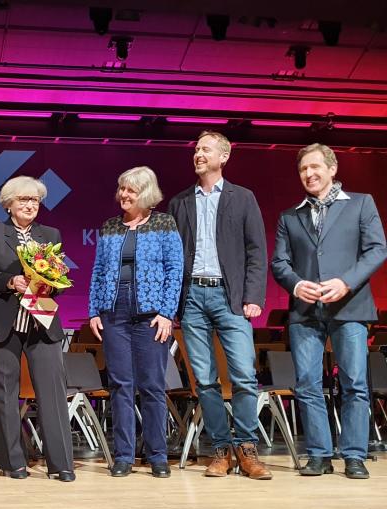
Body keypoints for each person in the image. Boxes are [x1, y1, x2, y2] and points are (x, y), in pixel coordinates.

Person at [272, 143, 387, 479]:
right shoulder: (290, 216)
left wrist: (347, 282)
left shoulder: (361, 204)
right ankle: (319, 454)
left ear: (332, 169)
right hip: (306, 310)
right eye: (303, 169)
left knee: (354, 382)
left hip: (349, 307)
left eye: (315, 167)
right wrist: (295, 284)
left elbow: (377, 249)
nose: (309, 174)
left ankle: (354, 455)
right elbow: (279, 262)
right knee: (307, 383)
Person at [167, 131, 272, 479]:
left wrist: (254, 297)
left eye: (206, 149)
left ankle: (246, 447)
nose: (198, 153)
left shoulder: (243, 198)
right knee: (205, 380)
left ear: (224, 156)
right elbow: (172, 256)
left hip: (230, 297)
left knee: (243, 374)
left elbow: (257, 250)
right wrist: (172, 303)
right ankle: (221, 449)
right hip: (193, 296)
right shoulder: (180, 202)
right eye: (196, 148)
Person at [0, 176, 75, 481]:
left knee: (53, 393)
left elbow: (60, 281)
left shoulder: (50, 234)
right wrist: (9, 280)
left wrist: (50, 283)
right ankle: (12, 463)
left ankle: (62, 464)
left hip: (41, 322)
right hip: (2, 323)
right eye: (23, 200)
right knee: (5, 394)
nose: (30, 205)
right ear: (9, 204)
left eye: (35, 200)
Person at [88, 167, 183, 478]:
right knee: (120, 385)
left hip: (151, 313)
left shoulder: (164, 222)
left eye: (130, 190)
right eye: (122, 189)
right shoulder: (110, 227)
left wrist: (167, 313)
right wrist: (93, 310)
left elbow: (174, 269)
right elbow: (99, 270)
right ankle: (124, 456)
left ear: (146, 194)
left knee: (153, 386)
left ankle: (157, 455)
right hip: (115, 312)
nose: (123, 195)